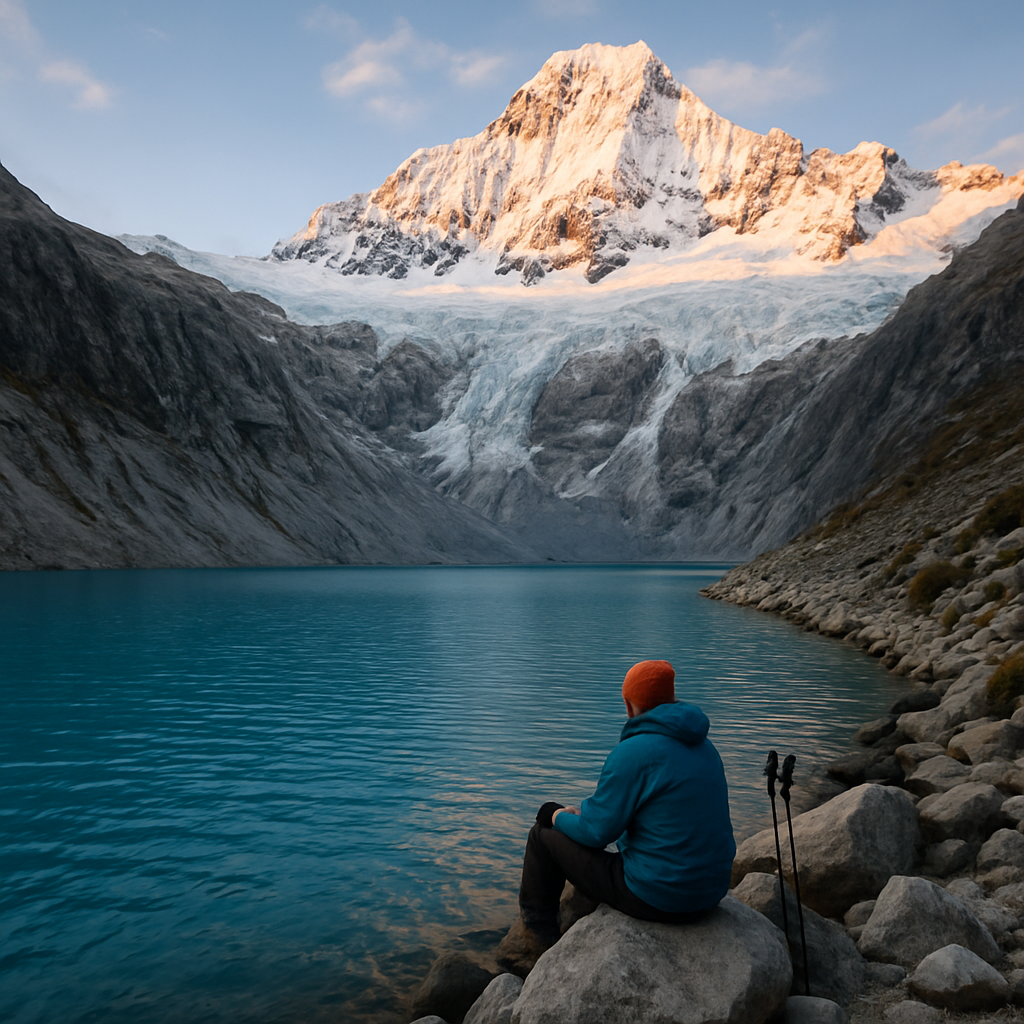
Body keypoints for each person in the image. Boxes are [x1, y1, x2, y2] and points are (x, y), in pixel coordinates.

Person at [515, 659, 735, 949]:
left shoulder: (632, 752)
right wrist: (586, 816)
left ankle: (537, 937)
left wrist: (555, 815)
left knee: (541, 837)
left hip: (659, 898)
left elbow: (596, 833)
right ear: (670, 698)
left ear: (629, 706)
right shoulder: (705, 746)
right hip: (711, 892)